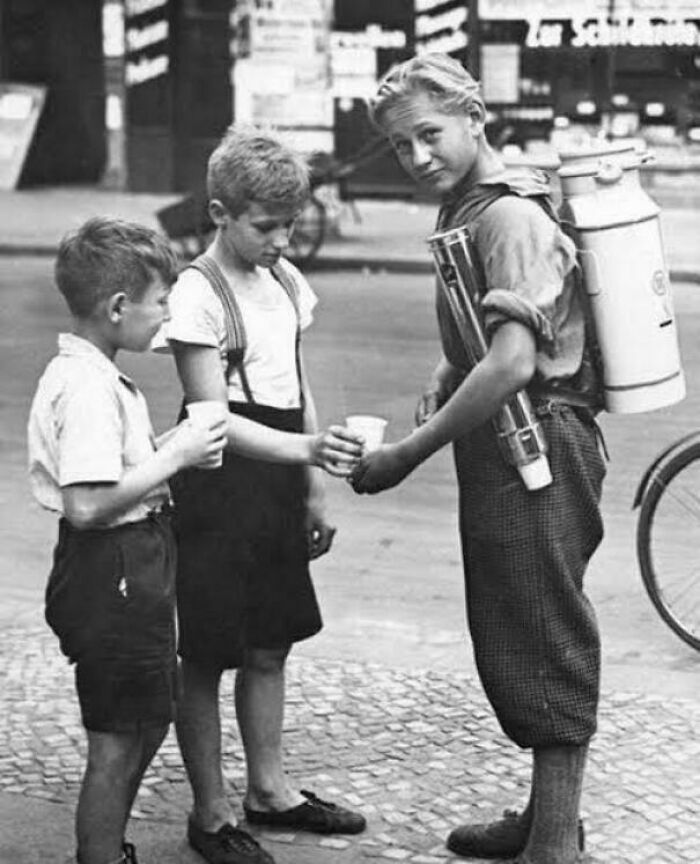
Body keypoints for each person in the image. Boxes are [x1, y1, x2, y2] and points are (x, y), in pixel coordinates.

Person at [352, 54, 606, 864]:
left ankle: (553, 849)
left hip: (539, 445)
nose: (418, 155)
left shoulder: (508, 217)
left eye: (430, 134)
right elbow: (482, 337)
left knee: (545, 632)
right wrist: (443, 370)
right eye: (400, 146)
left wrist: (406, 455)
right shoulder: (469, 208)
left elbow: (512, 363)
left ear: (475, 117)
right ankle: (548, 819)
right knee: (517, 623)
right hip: (508, 443)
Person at [154, 125, 366, 864]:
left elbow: (297, 383)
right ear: (218, 212)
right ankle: (211, 812)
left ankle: (269, 791)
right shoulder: (195, 294)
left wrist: (311, 487)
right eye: (266, 225)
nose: (282, 239)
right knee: (210, 649)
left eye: (291, 225)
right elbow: (210, 419)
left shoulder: (282, 281)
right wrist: (305, 450)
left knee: (271, 641)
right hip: (216, 478)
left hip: (277, 473)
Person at [27, 217, 228, 864]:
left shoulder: (93, 373)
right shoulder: (86, 387)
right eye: (160, 301)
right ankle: (101, 853)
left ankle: (107, 845)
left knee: (148, 714)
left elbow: (109, 470)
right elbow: (87, 503)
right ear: (118, 307)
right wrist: (176, 461)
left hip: (126, 565)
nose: (166, 316)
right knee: (118, 737)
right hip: (112, 570)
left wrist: (174, 446)